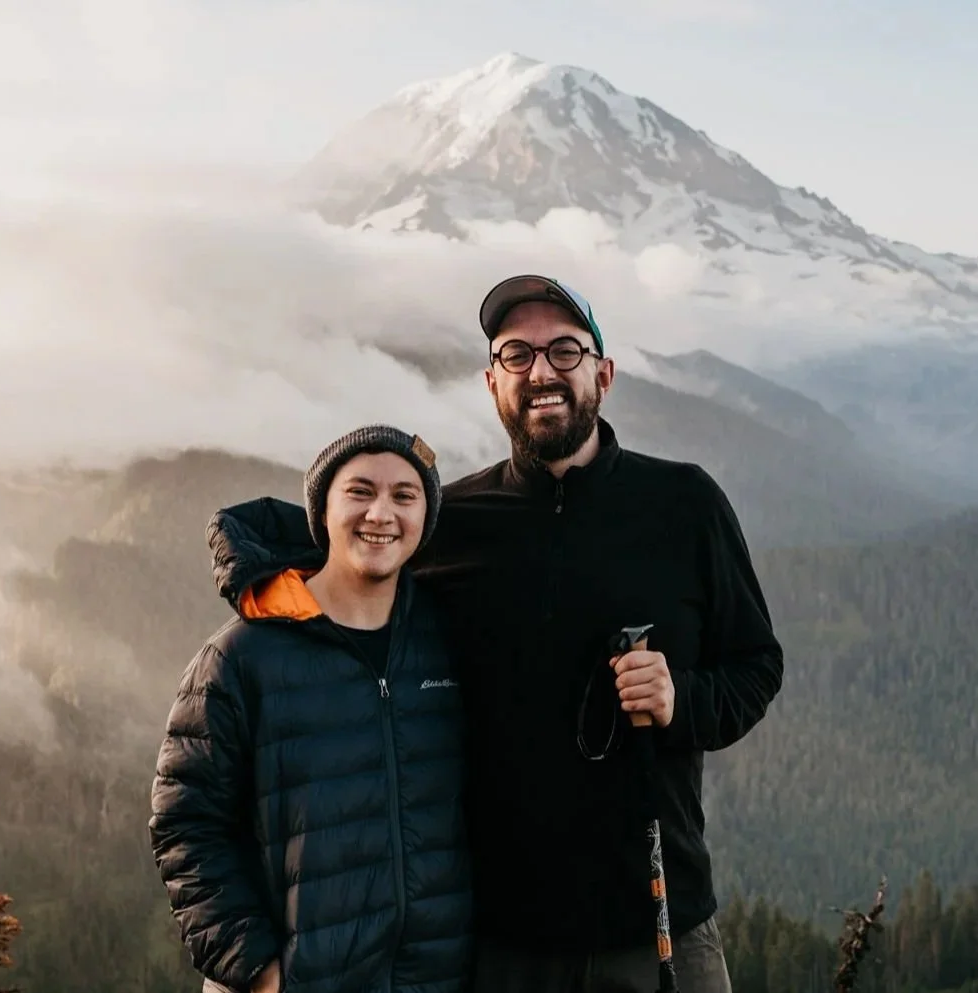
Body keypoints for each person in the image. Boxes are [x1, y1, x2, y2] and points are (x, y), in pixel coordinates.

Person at [202, 275, 785, 993]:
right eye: (517, 354)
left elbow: (756, 663)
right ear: (491, 382)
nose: (541, 371)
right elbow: (345, 560)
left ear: (602, 374)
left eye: (564, 350)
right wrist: (247, 563)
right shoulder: (454, 524)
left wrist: (680, 700)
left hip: (660, 921)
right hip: (500, 940)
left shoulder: (684, 504)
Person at [148, 426, 474, 993]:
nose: (381, 513)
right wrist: (256, 970)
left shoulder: (447, 643)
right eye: (359, 491)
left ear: (425, 520)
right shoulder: (241, 658)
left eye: (405, 495)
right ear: (322, 511)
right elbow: (186, 825)